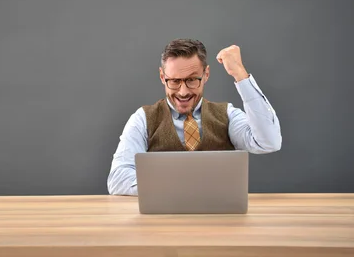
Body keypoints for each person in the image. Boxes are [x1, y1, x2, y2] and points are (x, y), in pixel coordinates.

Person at [107, 39, 282, 196]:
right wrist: (179, 188)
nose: (183, 92)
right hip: (161, 226)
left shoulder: (227, 114)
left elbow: (268, 142)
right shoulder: (143, 119)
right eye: (174, 81)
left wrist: (240, 75)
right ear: (162, 77)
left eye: (192, 80)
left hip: (220, 224)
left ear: (206, 75)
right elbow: (117, 179)